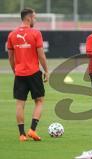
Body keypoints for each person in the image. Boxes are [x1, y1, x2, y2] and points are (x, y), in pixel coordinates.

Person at [7, 8, 48, 141]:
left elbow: (10, 58)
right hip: (34, 73)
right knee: (40, 101)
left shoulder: (12, 35)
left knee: (20, 103)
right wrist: (46, 70)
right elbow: (41, 55)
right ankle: (32, 130)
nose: (35, 20)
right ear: (29, 18)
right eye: (34, 17)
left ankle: (21, 135)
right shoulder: (36, 33)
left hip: (19, 74)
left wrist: (15, 71)